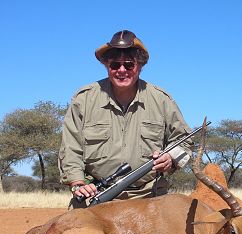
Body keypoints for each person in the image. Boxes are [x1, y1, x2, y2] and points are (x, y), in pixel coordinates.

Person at [58, 30, 193, 208]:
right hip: (96, 195)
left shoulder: (161, 100)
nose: (122, 70)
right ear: (107, 66)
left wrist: (170, 158)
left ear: (140, 66)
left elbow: (184, 141)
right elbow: (70, 148)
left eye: (129, 65)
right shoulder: (83, 99)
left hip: (149, 197)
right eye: (115, 65)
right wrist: (78, 184)